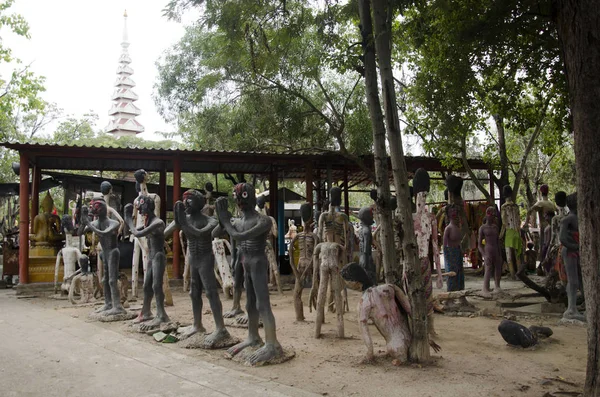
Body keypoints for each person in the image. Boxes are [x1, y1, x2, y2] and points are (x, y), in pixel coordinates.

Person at [214, 183, 284, 365]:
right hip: (245, 262)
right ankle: (253, 336)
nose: (240, 201)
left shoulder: (264, 220)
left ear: (252, 197)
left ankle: (272, 344)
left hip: (258, 262)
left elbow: (240, 237)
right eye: (237, 197)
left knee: (263, 303)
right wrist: (220, 217)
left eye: (243, 196)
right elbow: (215, 233)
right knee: (250, 303)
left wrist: (225, 220)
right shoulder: (236, 222)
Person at [125, 196, 171, 331]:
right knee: (146, 286)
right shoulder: (148, 221)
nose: (139, 212)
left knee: (156, 285)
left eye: (140, 208)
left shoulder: (158, 223)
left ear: (148, 207)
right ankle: (145, 312)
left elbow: (137, 233)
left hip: (158, 256)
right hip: (151, 256)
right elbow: (135, 231)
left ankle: (161, 314)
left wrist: (128, 218)